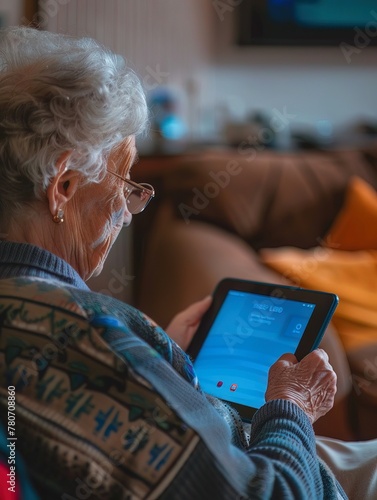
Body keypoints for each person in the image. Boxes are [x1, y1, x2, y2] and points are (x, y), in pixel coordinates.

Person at [0, 25, 374, 500]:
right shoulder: (86, 337)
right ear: (64, 188)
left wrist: (161, 360)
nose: (128, 210)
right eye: (125, 180)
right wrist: (291, 404)